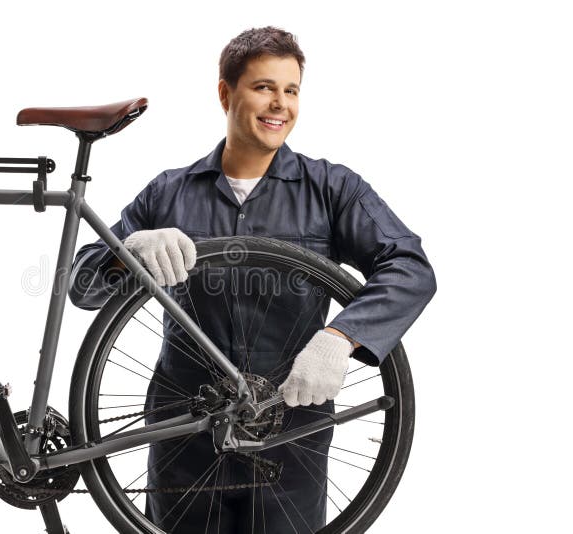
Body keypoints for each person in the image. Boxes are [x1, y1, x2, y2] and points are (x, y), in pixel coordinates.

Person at [69, 26, 436, 533]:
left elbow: (409, 268)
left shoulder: (332, 189)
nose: (279, 104)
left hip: (291, 436)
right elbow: (84, 286)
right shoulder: (169, 193)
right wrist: (128, 251)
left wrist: (341, 337)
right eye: (264, 87)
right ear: (226, 92)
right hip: (185, 434)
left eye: (291, 90)